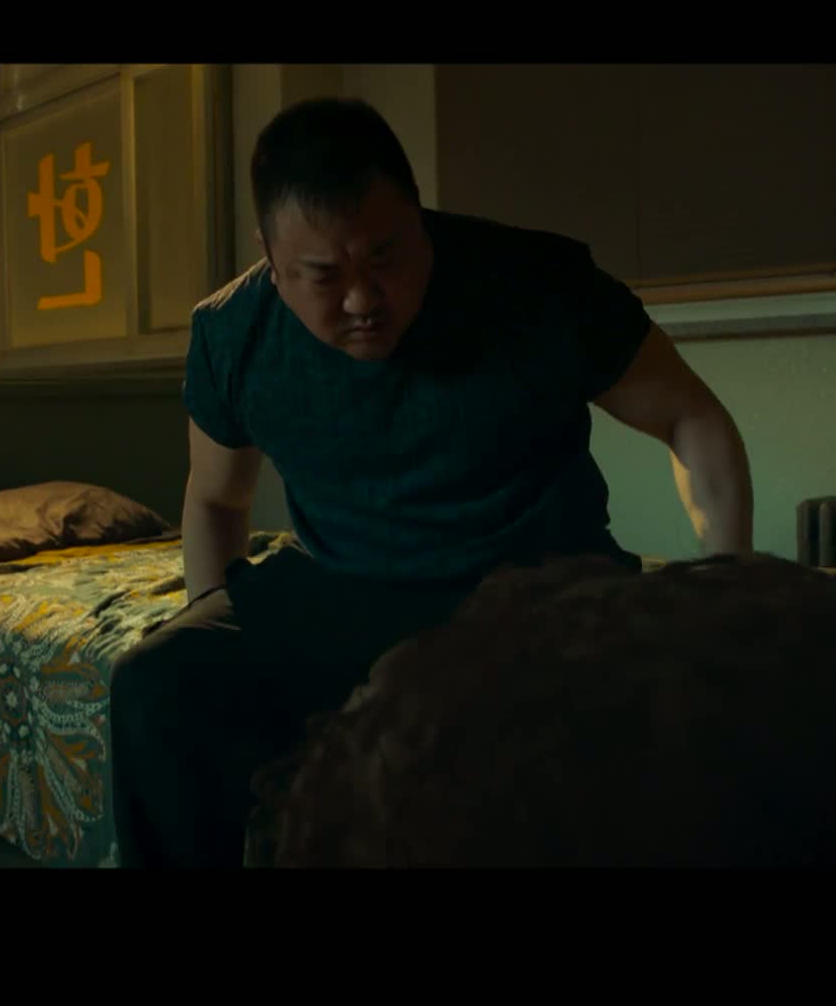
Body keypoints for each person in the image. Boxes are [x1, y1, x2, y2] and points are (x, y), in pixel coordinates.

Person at [107, 97, 755, 868]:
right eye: (324, 276)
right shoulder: (234, 332)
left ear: (420, 219)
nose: (361, 300)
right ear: (272, 262)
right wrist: (224, 641)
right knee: (156, 686)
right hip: (342, 583)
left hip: (536, 587)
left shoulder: (537, 285)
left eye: (385, 258)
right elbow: (216, 498)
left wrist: (728, 582)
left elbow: (690, 418)